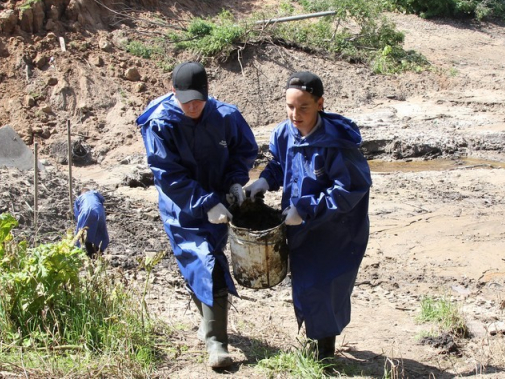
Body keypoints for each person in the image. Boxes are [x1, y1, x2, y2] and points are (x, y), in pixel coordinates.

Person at [136, 61, 258, 369]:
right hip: (183, 209)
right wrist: (204, 204)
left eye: (198, 99)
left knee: (210, 260)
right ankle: (217, 343)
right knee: (203, 262)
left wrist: (234, 180)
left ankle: (211, 324)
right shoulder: (161, 123)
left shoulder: (225, 116)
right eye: (185, 99)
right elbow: (168, 175)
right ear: (173, 92)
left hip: (220, 201)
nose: (193, 106)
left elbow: (243, 151)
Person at [244, 71, 372, 361]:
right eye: (290, 107)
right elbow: (279, 163)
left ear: (320, 104)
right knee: (304, 283)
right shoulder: (283, 133)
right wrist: (264, 181)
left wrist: (307, 209)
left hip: (337, 229)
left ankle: (323, 355)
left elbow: (351, 188)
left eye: (303, 107)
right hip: (299, 226)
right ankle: (315, 343)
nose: (295, 114)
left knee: (326, 286)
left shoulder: (337, 143)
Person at [73, 188, 110, 258]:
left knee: (82, 231)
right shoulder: (95, 194)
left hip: (86, 211)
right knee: (100, 231)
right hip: (99, 211)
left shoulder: (80, 198)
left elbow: (77, 214)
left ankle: (84, 252)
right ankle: (98, 250)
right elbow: (102, 201)